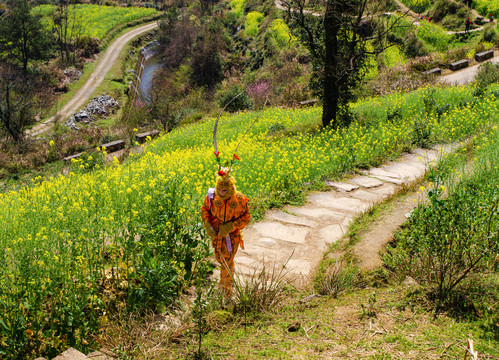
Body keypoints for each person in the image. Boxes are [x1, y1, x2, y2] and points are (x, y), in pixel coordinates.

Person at [201, 158, 251, 297]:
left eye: (224, 190)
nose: (221, 192)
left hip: (231, 236)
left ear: (230, 188)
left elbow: (246, 217)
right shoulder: (211, 196)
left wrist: (231, 226)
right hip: (216, 235)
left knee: (227, 262)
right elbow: (205, 209)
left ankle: (226, 292)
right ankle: (224, 287)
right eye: (219, 189)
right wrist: (207, 224)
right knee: (220, 259)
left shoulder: (240, 199)